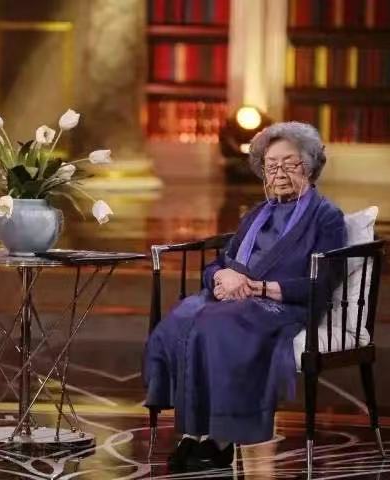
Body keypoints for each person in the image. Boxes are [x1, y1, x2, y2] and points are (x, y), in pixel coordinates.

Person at [142, 121, 345, 472]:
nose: (279, 172)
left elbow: (321, 284)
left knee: (218, 323)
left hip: (283, 304)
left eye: (290, 163)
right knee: (182, 318)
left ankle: (221, 437)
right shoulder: (256, 214)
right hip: (235, 296)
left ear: (310, 165)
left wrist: (256, 287)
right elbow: (219, 263)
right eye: (271, 164)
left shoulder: (326, 217)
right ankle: (195, 431)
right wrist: (220, 276)